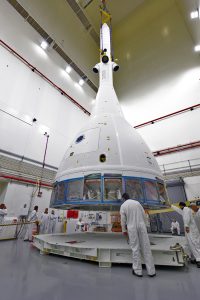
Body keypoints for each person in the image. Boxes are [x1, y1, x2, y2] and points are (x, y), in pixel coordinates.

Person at [120, 193, 156, 277]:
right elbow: (144, 215)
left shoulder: (123, 205)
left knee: (135, 248)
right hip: (141, 226)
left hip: (132, 228)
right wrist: (145, 225)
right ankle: (151, 271)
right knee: (146, 247)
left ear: (123, 198)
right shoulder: (137, 203)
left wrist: (124, 230)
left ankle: (138, 271)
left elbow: (123, 220)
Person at [171, 202, 200, 267]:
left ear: (181, 206)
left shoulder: (186, 209)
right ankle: (195, 258)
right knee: (191, 244)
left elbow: (187, 218)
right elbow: (179, 211)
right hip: (192, 230)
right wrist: (171, 206)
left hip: (190, 230)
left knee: (194, 244)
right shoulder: (186, 210)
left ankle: (199, 260)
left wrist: (186, 226)